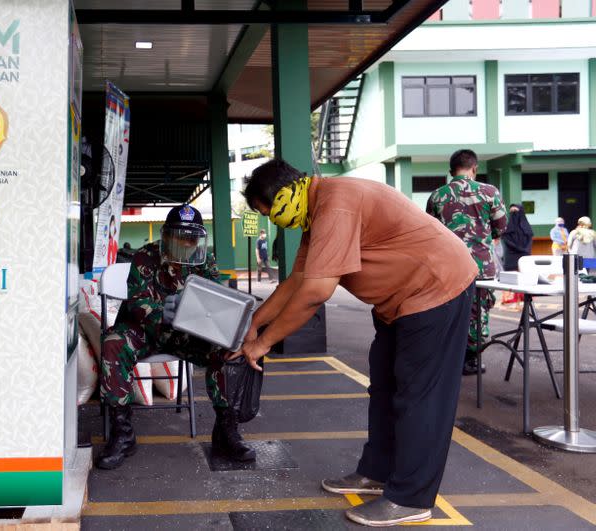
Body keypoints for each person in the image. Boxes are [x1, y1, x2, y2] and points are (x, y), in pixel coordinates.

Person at [232, 159, 476, 527]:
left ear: (286, 194)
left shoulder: (336, 203)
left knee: (419, 397)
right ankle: (378, 472)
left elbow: (316, 293)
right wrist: (255, 321)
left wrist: (263, 343)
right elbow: (298, 280)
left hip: (436, 290)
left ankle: (411, 498)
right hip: (400, 302)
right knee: (384, 388)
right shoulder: (319, 212)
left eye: (270, 212)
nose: (273, 221)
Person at [97, 204, 256, 470]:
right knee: (113, 344)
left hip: (188, 334)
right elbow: (136, 305)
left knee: (227, 350)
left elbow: (217, 301)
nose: (188, 243)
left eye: (193, 238)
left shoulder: (205, 259)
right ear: (167, 235)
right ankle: (123, 434)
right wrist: (163, 311)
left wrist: (234, 322)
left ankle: (226, 431)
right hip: (145, 330)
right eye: (182, 236)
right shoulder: (145, 256)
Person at [426, 149, 507, 376]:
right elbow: (502, 227)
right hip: (480, 265)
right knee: (478, 310)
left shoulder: (437, 196)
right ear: (474, 168)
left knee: (447, 308)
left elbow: (431, 233)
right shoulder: (489, 192)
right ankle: (471, 359)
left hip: (448, 266)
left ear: (451, 170)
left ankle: (447, 358)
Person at [501, 204, 533, 272]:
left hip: (524, 258)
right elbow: (507, 241)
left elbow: (529, 240)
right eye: (512, 212)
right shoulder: (507, 228)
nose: (514, 214)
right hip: (511, 259)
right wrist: (521, 249)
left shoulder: (527, 227)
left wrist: (525, 249)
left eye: (516, 212)